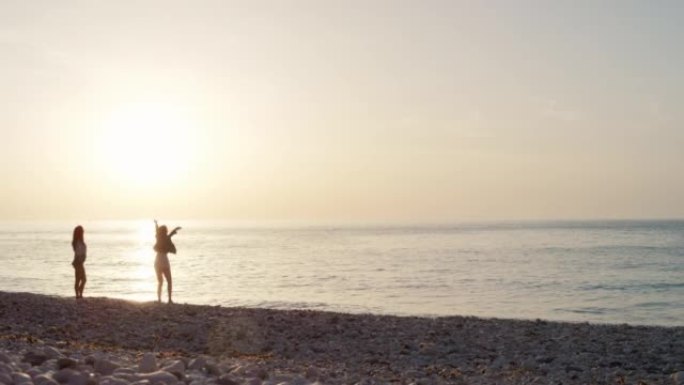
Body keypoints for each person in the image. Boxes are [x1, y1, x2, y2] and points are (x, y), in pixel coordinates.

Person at [154, 219, 181, 303]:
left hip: (157, 260)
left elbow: (158, 232)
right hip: (164, 260)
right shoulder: (166, 238)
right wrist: (174, 231)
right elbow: (169, 235)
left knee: (160, 282)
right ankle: (169, 299)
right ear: (165, 231)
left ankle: (159, 299)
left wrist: (156, 224)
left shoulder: (158, 239)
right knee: (169, 281)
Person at [71, 225, 87, 299]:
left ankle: (79, 294)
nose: (83, 232)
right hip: (78, 262)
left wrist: (83, 258)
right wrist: (80, 259)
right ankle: (79, 294)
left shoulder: (80, 241)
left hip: (80, 261)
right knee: (82, 279)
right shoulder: (77, 242)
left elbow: (82, 252)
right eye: (82, 231)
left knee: (80, 279)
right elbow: (78, 252)